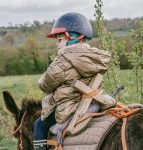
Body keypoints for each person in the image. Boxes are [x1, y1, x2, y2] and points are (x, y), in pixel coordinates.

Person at [33, 12, 114, 150]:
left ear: (72, 38)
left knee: (39, 124)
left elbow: (44, 85)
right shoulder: (94, 57)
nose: (57, 44)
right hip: (91, 102)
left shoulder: (64, 61)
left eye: (59, 39)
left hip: (70, 106)